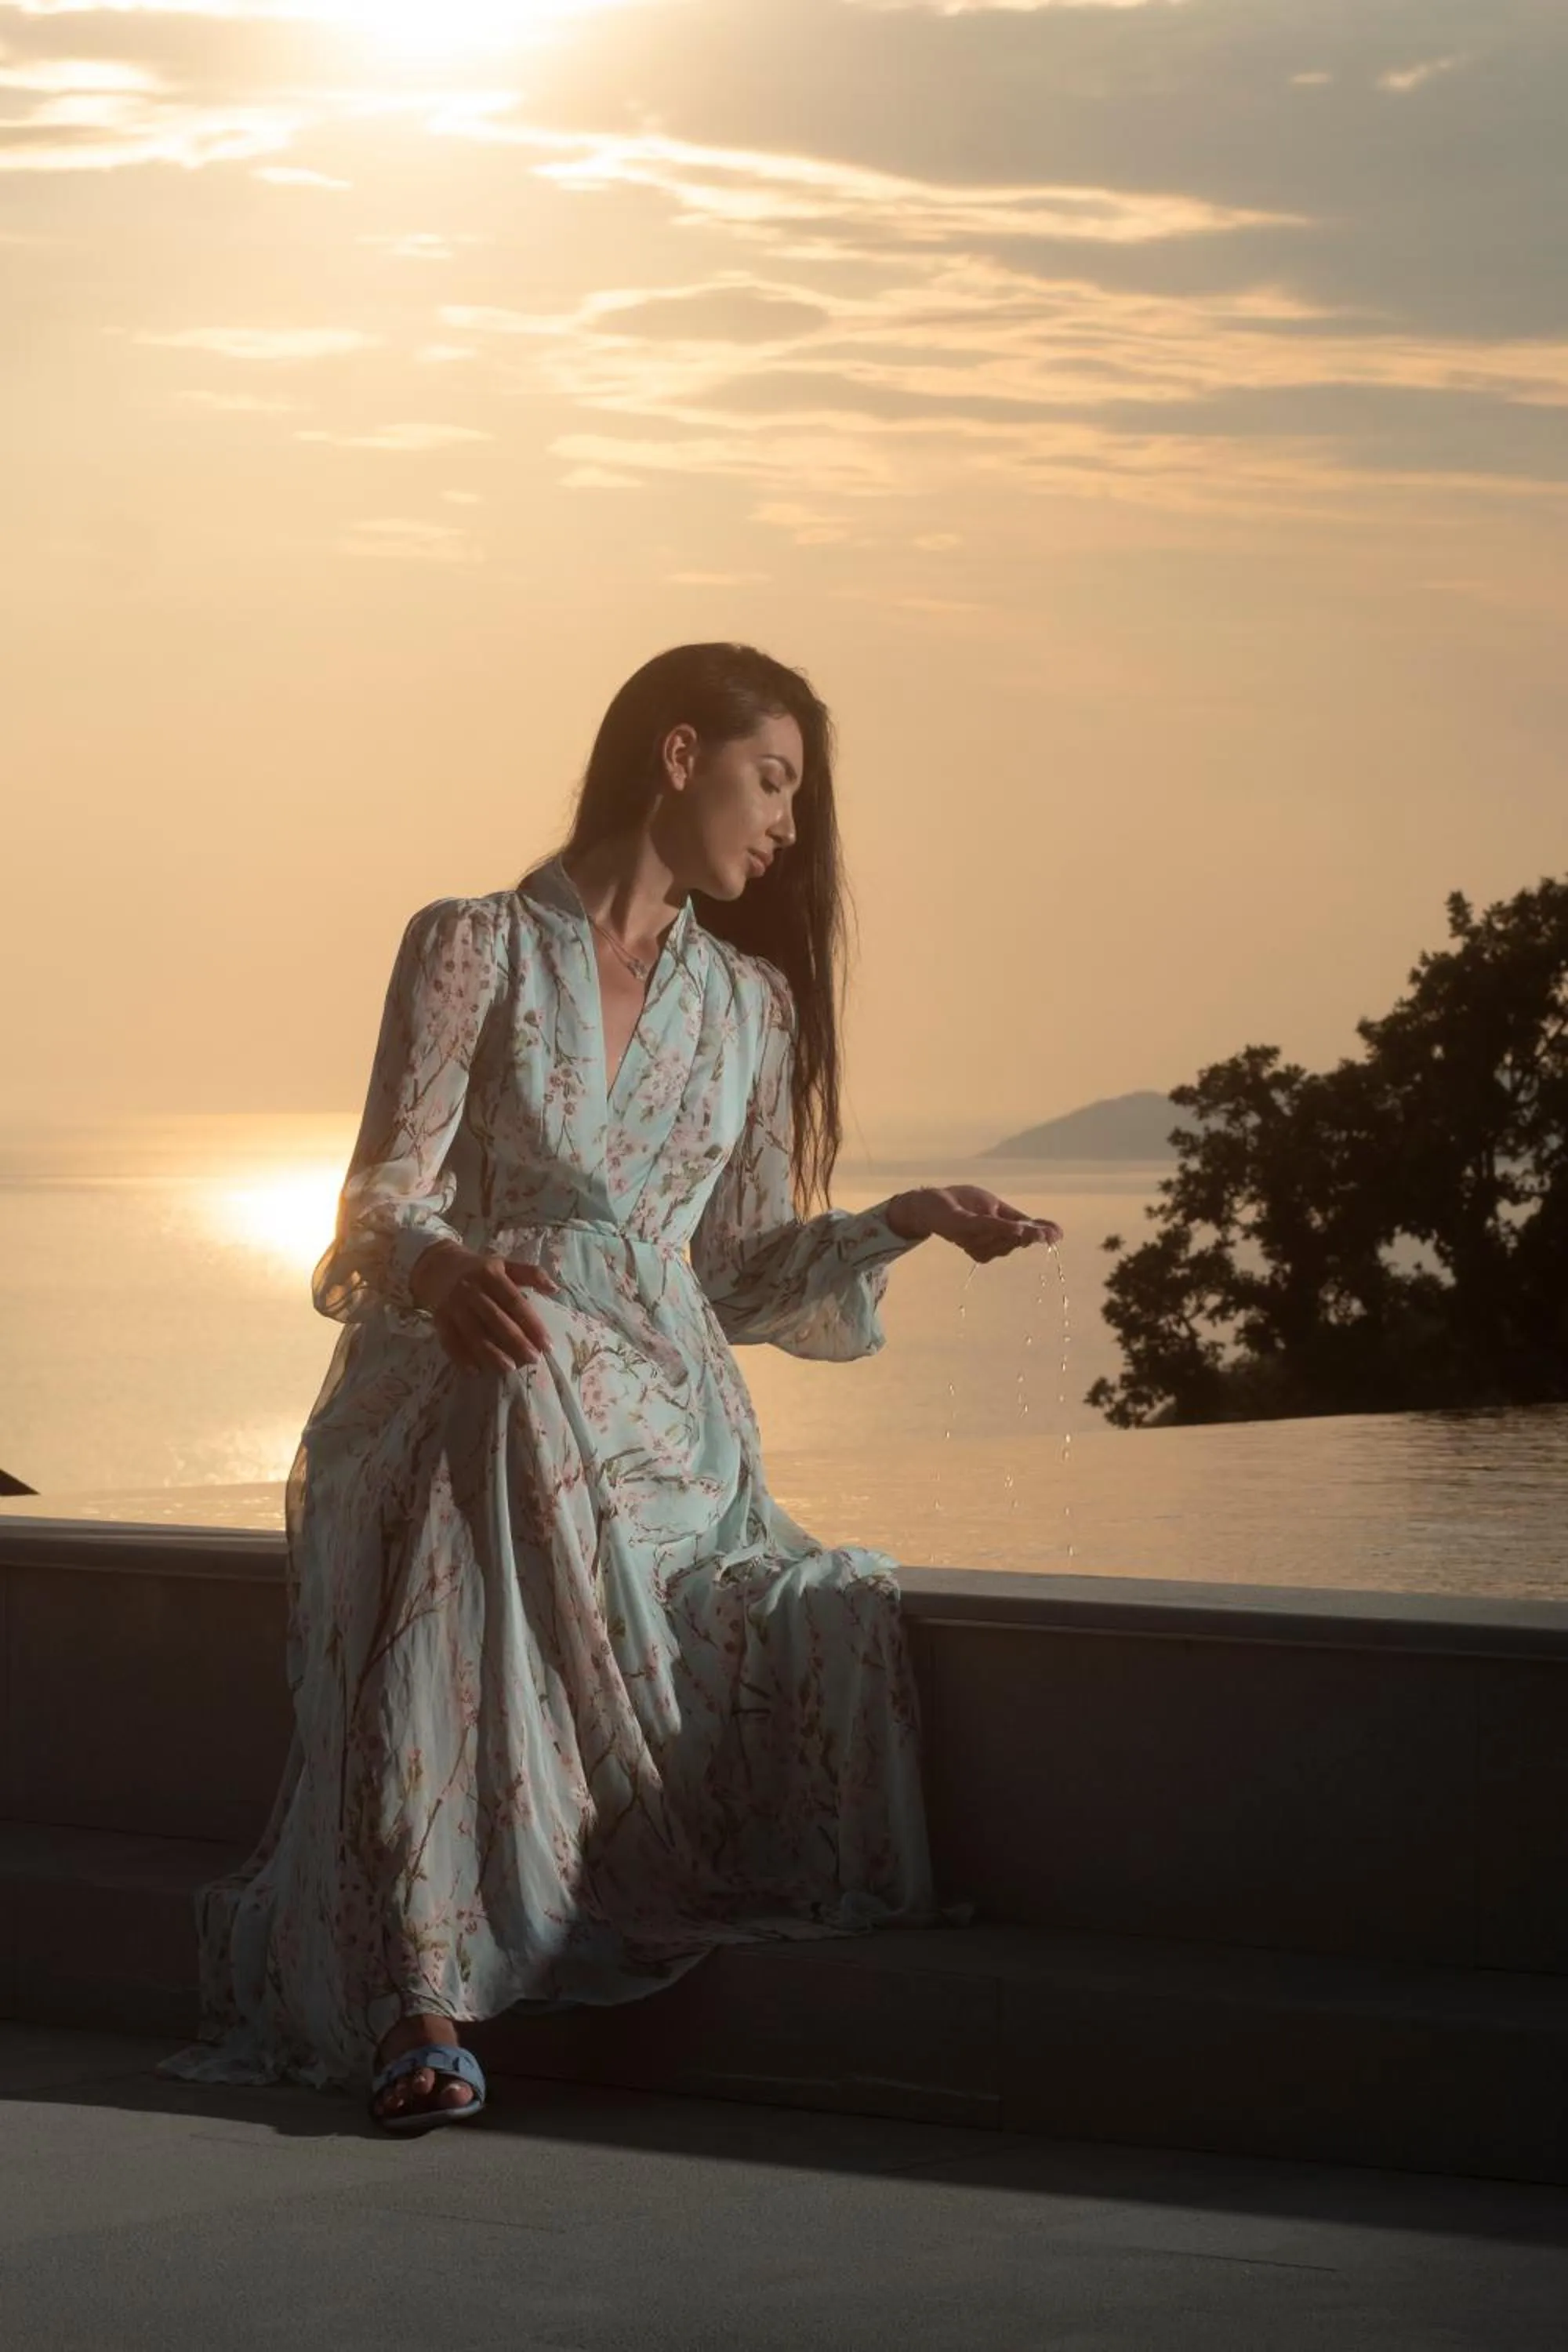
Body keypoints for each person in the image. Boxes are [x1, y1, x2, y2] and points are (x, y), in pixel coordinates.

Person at [160, 641, 1062, 2131]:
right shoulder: (472, 944)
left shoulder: (750, 1009)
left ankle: (423, 1999)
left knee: (533, 1421)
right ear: (677, 751)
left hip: (656, 1414)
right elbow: (381, 1197)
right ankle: (422, 1993)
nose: (786, 828)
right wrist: (446, 1274)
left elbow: (741, 1274)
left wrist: (896, 1222)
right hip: (461, 1362)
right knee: (501, 1407)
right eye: (772, 781)